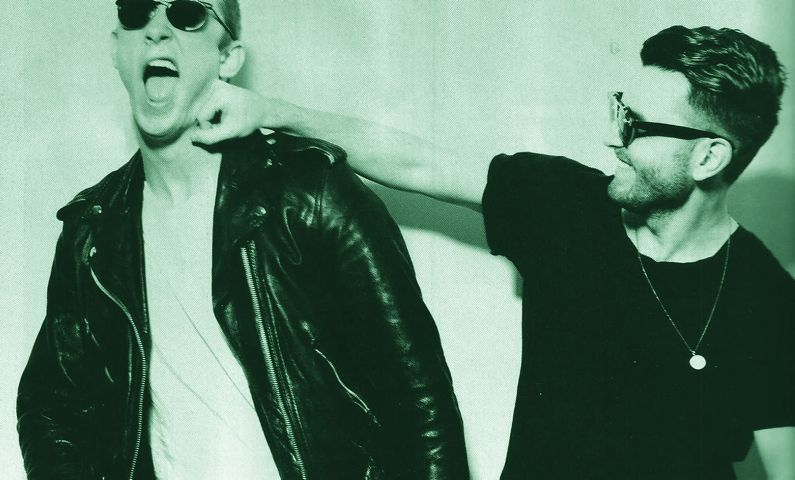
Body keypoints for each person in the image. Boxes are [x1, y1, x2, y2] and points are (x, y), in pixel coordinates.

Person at [188, 25, 795, 479]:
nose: (614, 137)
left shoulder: (769, 302)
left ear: (709, 156)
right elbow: (416, 161)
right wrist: (270, 111)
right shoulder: (566, 205)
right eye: (620, 109)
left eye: (636, 125)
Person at [16, 1, 470, 479]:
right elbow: (49, 405)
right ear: (116, 49)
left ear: (228, 57)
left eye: (187, 13)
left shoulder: (310, 197)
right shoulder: (93, 232)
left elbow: (422, 407)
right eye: (136, 11)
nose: (156, 30)